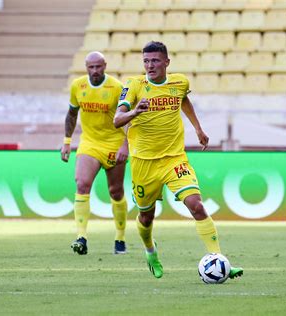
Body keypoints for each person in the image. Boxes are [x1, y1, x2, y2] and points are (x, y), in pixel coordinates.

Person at [114, 41, 243, 279]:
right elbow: (117, 119)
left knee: (196, 204)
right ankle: (150, 251)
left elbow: (183, 100)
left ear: (166, 62)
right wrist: (135, 112)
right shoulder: (133, 86)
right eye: (146, 61)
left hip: (174, 158)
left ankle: (218, 258)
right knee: (146, 216)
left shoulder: (180, 82)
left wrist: (198, 128)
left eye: (154, 61)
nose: (149, 66)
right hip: (144, 162)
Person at [61, 51, 129, 255]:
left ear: (105, 66)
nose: (95, 71)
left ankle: (120, 237)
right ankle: (81, 237)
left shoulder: (116, 87)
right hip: (89, 144)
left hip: (114, 144)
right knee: (81, 184)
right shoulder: (78, 86)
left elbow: (127, 117)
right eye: (91, 67)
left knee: (115, 191)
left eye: (98, 66)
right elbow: (72, 115)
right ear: (86, 67)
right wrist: (66, 142)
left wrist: (125, 145)